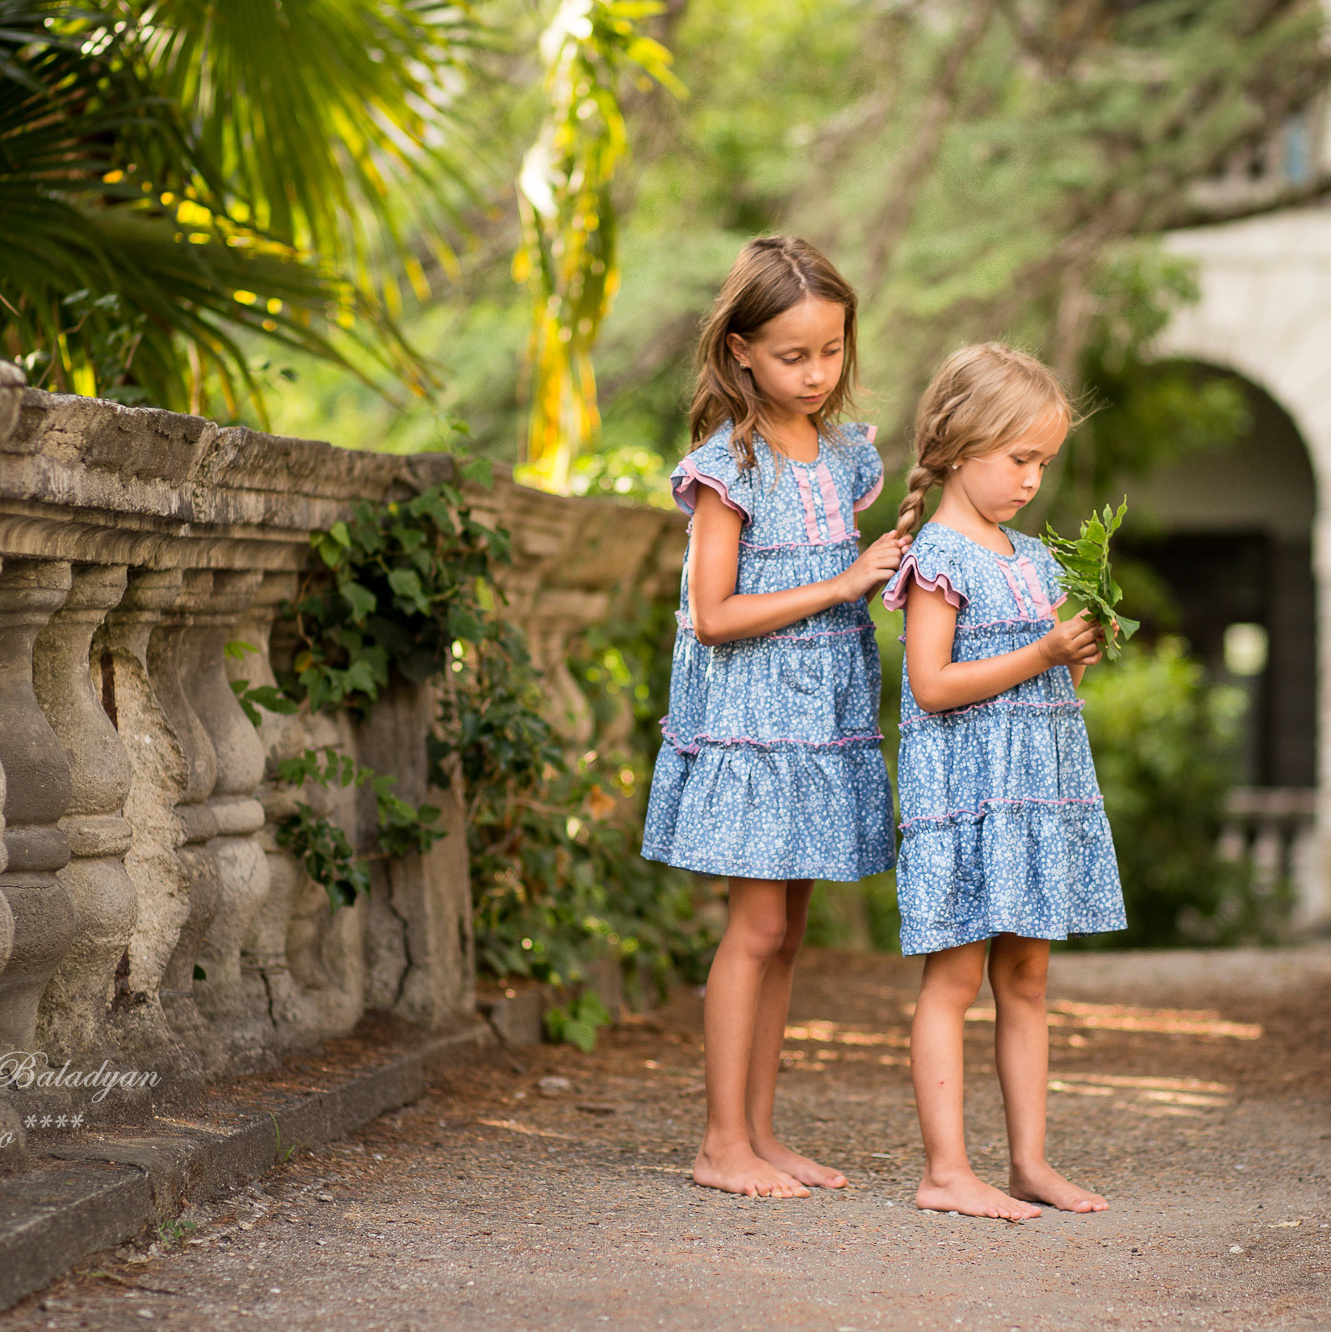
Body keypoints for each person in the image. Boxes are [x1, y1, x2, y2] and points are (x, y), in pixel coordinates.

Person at [642, 236, 911, 1199]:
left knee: (788, 931)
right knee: (753, 929)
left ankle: (758, 1132)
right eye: (793, 355)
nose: (816, 373)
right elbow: (713, 615)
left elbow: (837, 584)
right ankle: (719, 1143)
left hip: (822, 715)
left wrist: (885, 573)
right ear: (742, 349)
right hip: (755, 724)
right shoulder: (730, 466)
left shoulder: (844, 454)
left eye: (831, 351)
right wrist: (840, 579)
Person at [881, 342, 1127, 1220]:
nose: (1031, 479)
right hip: (968, 799)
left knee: (1026, 977)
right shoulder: (941, 555)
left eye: (1042, 463)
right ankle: (945, 1170)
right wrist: (1040, 651)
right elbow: (932, 685)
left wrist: (1075, 654)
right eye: (1018, 459)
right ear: (955, 447)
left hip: (1035, 795)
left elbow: (1045, 677)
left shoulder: (1029, 555)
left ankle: (1029, 1161)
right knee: (952, 980)